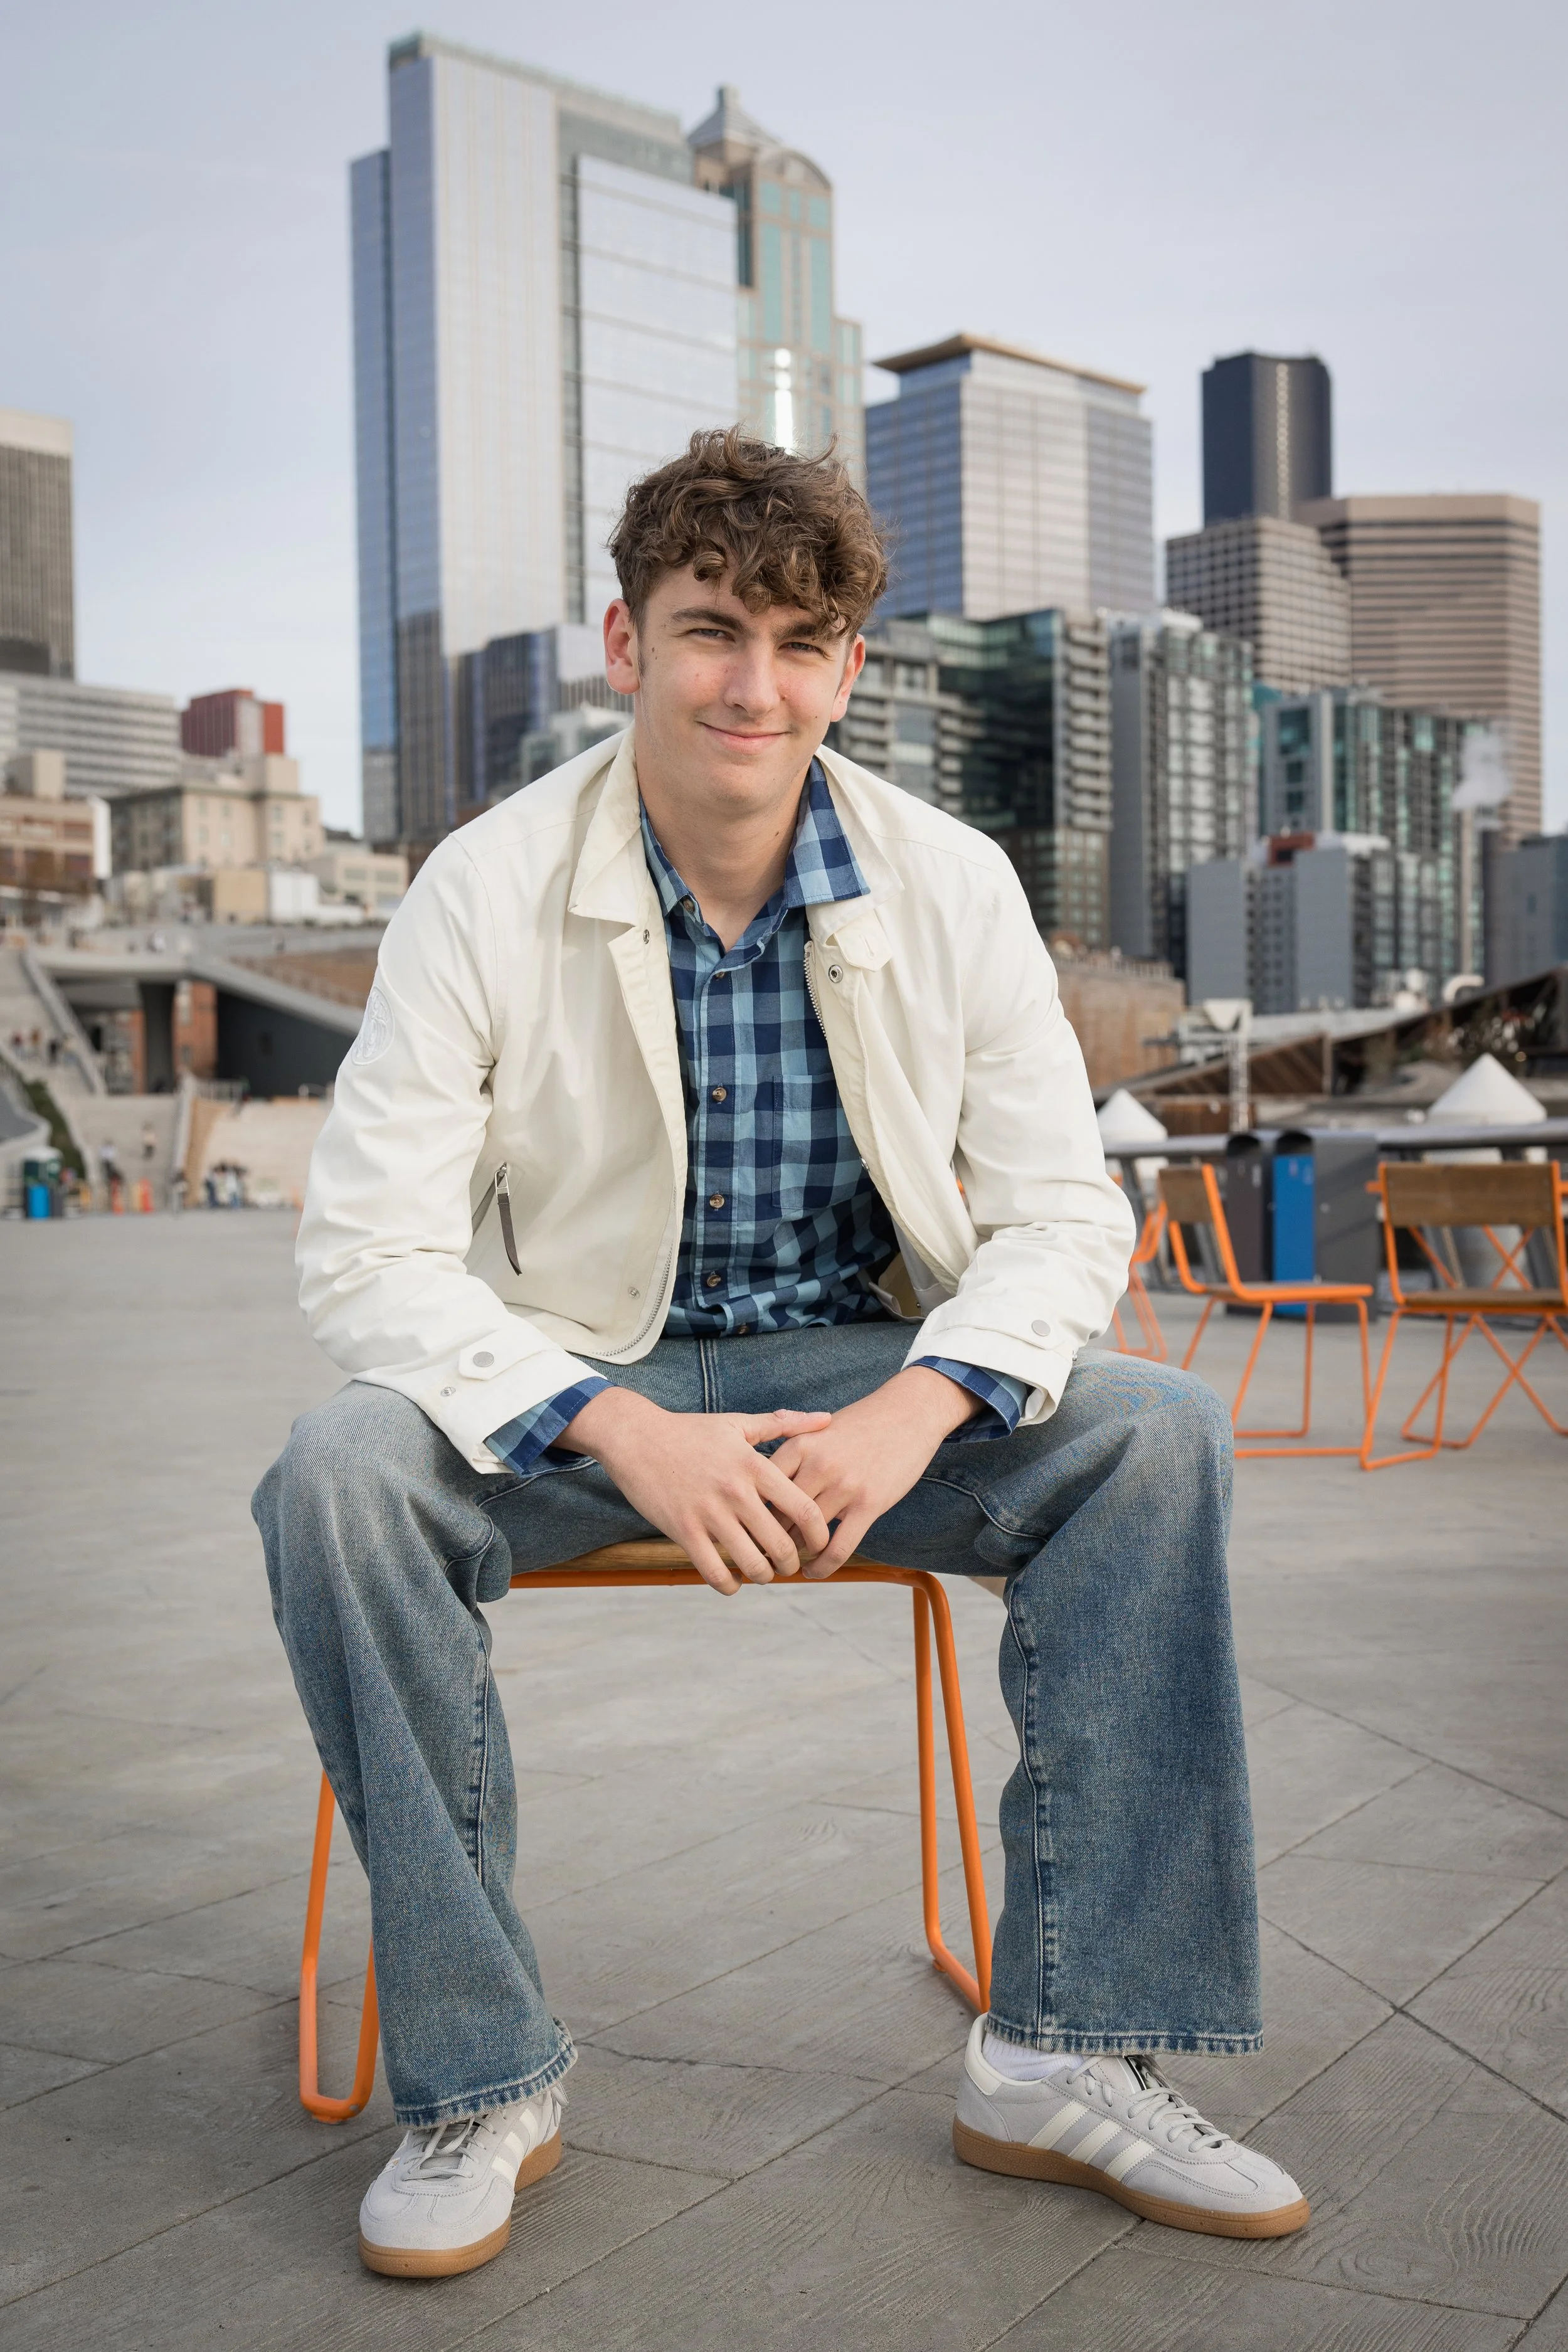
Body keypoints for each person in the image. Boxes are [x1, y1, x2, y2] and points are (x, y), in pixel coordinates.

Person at [255, 430, 1304, 2285]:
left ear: (849, 666)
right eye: (710, 630)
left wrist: (919, 1403)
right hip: (584, 1392)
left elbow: (1063, 1215)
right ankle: (479, 2068)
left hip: (863, 1390)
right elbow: (367, 1249)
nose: (756, 683)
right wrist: (612, 1425)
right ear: (622, 640)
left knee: (1153, 1439)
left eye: (801, 640)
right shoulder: (484, 887)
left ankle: (1062, 2048)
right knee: (337, 1477)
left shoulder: (952, 881)